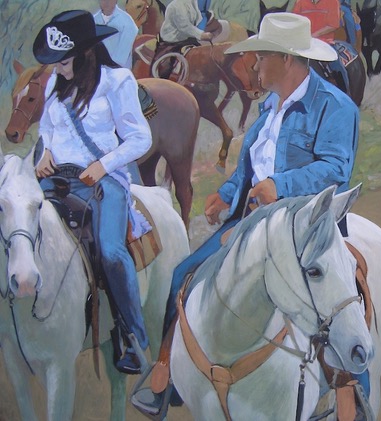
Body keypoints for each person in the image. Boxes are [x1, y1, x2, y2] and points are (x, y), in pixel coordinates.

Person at [132, 12, 362, 418]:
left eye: (260, 57)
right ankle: (166, 372)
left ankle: (347, 388)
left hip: (306, 227)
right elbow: (246, 172)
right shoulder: (267, 110)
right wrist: (225, 195)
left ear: (286, 59)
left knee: (331, 302)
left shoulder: (336, 107)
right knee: (184, 274)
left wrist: (282, 185)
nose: (253, 65)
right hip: (254, 224)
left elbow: (336, 169)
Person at [33, 10, 152, 375]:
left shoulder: (117, 81)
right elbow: (46, 127)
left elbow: (140, 138)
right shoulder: (58, 85)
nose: (57, 70)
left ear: (85, 53)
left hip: (101, 182)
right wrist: (46, 152)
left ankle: (133, 337)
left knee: (112, 252)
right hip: (57, 180)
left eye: (64, 61)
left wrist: (104, 165)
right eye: (55, 63)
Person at [93, 0, 139, 69]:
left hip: (119, 72)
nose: (106, 2)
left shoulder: (127, 21)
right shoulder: (93, 20)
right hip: (97, 70)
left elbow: (121, 57)